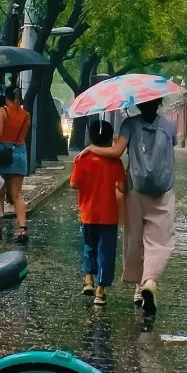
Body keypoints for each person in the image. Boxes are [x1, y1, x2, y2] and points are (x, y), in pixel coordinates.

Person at [88, 97, 177, 319]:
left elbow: (116, 152)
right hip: (163, 191)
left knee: (135, 238)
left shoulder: (129, 125)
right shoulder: (170, 126)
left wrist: (91, 148)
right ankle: (149, 282)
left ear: (139, 105)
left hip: (135, 190)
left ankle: (139, 287)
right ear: (159, 103)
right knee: (160, 241)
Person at [69, 121, 126, 306]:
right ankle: (100, 292)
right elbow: (123, 187)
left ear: (90, 138)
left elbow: (74, 184)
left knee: (88, 246)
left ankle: (88, 279)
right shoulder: (115, 162)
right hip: (109, 215)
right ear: (111, 140)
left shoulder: (81, 159)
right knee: (106, 252)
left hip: (88, 213)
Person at [0, 83, 31, 243]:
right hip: (20, 153)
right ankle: (22, 229)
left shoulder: (2, 111)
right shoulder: (26, 115)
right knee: (16, 194)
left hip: (3, 154)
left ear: (7, 98)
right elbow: (23, 135)